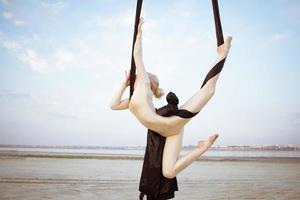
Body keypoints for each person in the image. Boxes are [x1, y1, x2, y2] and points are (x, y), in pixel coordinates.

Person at [110, 17, 232, 179]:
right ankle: (203, 147)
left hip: (173, 122)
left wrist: (139, 32)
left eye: (142, 73)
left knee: (208, 91)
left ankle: (222, 53)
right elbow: (113, 105)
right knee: (168, 173)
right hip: (172, 132)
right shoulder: (132, 99)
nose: (138, 73)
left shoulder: (144, 83)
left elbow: (137, 55)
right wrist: (124, 85)